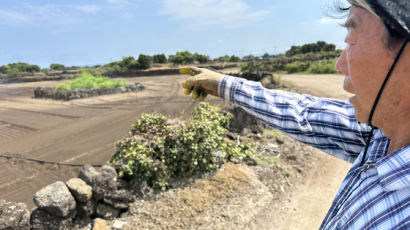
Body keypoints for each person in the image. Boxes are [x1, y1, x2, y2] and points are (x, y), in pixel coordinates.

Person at [181, 0, 409, 229]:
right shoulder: (384, 134)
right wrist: (224, 84)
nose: (340, 65)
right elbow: (304, 114)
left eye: (352, 40)